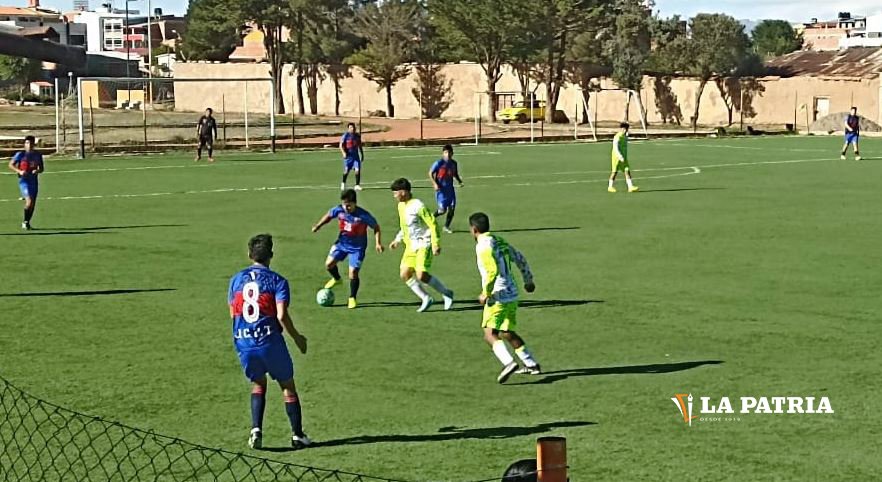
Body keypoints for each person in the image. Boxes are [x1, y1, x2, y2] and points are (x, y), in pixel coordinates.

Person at [228, 234, 310, 450]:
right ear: (271, 256)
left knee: (258, 383)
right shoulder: (278, 281)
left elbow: (233, 313)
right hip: (269, 341)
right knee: (287, 386)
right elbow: (281, 316)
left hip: (244, 342)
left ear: (249, 255)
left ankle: (256, 429)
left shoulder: (236, 279)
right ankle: (297, 435)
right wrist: (298, 338)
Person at [468, 212, 541, 384]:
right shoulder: (499, 240)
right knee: (507, 332)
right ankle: (531, 365)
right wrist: (528, 280)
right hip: (512, 292)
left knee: (489, 333)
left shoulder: (482, 246)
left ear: (474, 229)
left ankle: (508, 363)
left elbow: (492, 271)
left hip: (498, 294)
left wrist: (485, 292)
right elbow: (519, 258)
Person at [389, 178, 454, 312]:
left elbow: (432, 223)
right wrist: (397, 240)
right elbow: (404, 226)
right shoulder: (401, 206)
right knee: (404, 274)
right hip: (410, 246)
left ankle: (446, 293)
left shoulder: (418, 206)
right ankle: (426, 298)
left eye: (395, 193)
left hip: (424, 243)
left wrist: (436, 243)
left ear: (403, 192)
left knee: (421, 275)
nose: (394, 196)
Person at [312, 189, 384, 309]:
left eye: (349, 205)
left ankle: (352, 298)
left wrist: (378, 243)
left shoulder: (363, 215)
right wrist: (318, 225)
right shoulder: (339, 210)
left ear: (355, 203)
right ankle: (337, 279)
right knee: (329, 265)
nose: (346, 208)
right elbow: (329, 215)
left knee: (353, 273)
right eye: (345, 205)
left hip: (357, 248)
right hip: (342, 244)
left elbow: (376, 227)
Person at [8, 135, 44, 230]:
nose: (29, 145)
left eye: (31, 143)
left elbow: (41, 168)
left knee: (32, 204)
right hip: (24, 181)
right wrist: (19, 171)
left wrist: (37, 171)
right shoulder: (20, 154)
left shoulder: (38, 155)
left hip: (34, 181)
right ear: (24, 144)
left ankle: (26, 222)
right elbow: (11, 165)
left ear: (34, 144)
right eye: (27, 143)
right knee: (29, 201)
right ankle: (25, 222)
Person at [429, 144, 464, 234]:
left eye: (449, 152)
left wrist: (459, 181)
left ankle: (446, 226)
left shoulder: (454, 163)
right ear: (443, 153)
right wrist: (435, 184)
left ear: (452, 153)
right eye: (445, 152)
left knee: (452, 209)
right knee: (442, 211)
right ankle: (429, 218)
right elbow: (430, 173)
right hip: (441, 190)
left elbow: (455, 174)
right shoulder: (438, 163)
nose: (447, 154)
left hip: (450, 190)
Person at [608, 122, 638, 193]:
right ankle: (610, 186)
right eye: (624, 129)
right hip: (617, 157)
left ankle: (630, 187)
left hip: (624, 157)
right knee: (614, 172)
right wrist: (619, 156)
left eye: (626, 129)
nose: (625, 130)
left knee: (627, 170)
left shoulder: (625, 136)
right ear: (621, 129)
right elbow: (615, 148)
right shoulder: (617, 137)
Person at [340, 122, 364, 191]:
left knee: (357, 170)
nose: (352, 129)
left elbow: (360, 145)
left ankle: (357, 185)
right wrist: (343, 153)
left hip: (356, 156)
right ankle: (343, 183)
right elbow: (341, 145)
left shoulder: (357, 136)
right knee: (346, 170)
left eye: (353, 127)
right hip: (348, 156)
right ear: (348, 128)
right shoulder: (345, 136)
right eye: (351, 127)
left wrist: (362, 154)